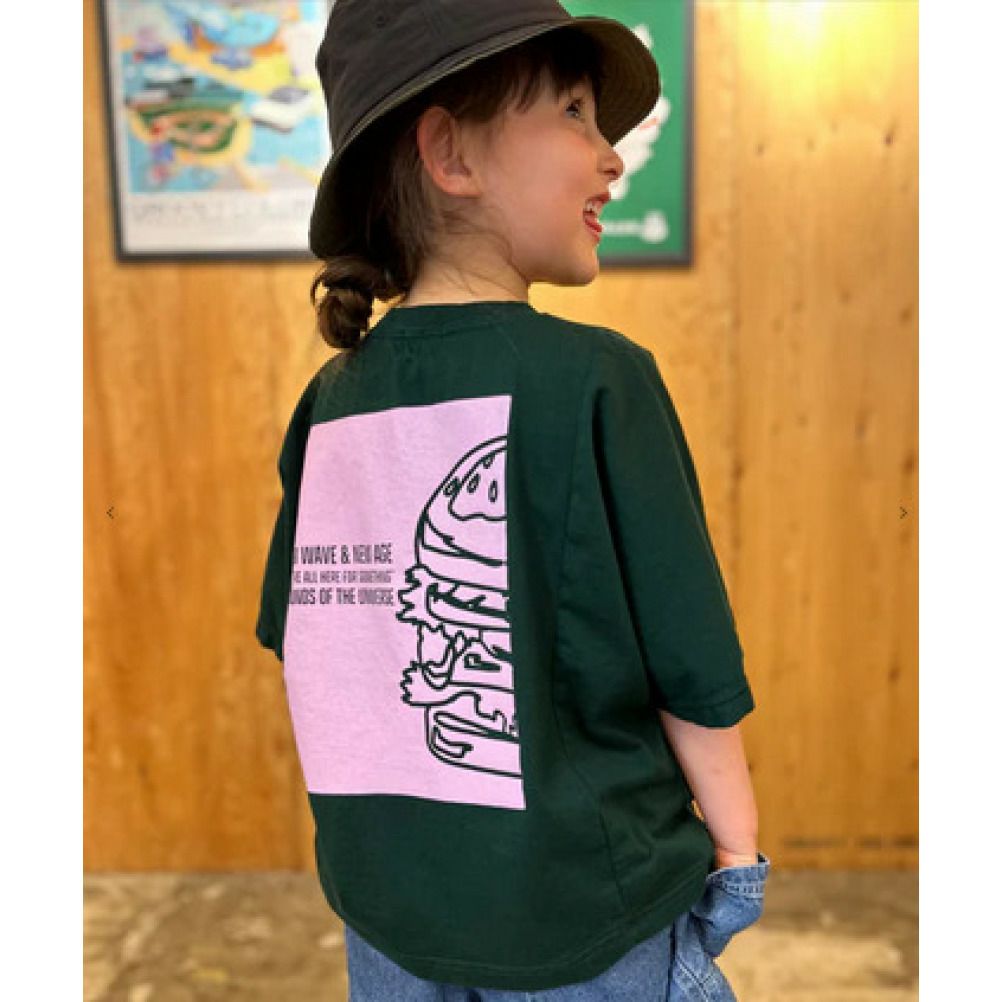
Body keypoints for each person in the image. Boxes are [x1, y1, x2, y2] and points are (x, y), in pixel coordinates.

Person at [255, 2, 771, 999]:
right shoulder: (598, 377)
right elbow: (691, 661)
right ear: (451, 153)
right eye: (575, 113)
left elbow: (312, 645)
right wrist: (737, 849)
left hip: (389, 917)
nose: (611, 156)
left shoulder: (328, 403)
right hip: (589, 912)